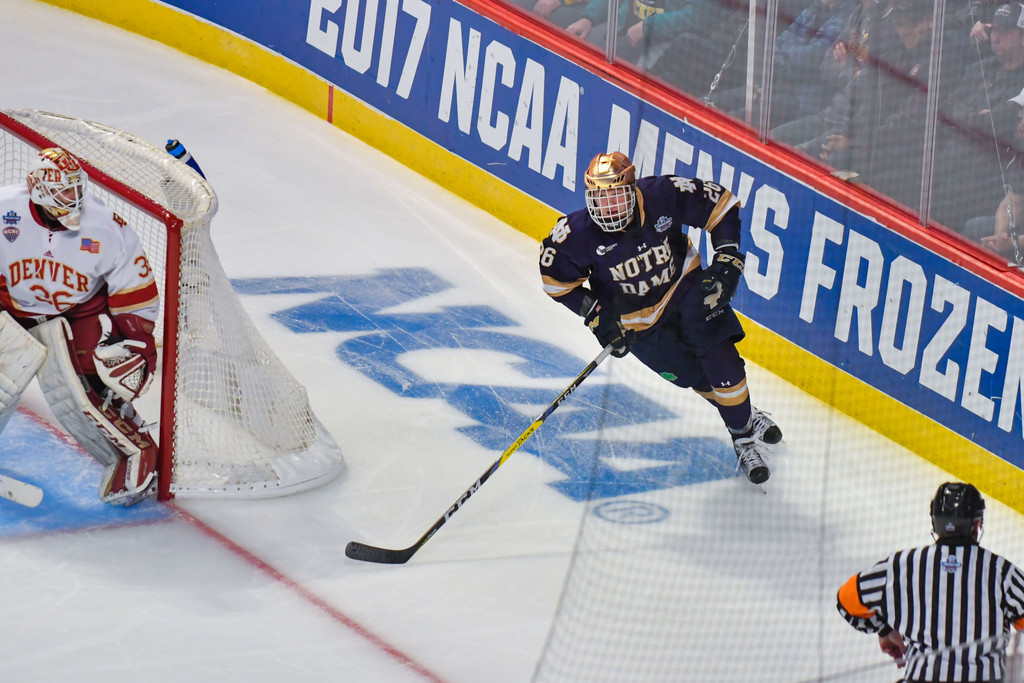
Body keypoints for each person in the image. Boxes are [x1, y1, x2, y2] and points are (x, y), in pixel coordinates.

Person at [538, 151, 783, 485]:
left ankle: (741, 437)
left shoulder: (663, 194)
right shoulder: (577, 233)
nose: (607, 208)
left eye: (615, 197)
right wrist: (597, 316)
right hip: (639, 326)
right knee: (694, 378)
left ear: (632, 189)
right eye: (599, 199)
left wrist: (727, 261)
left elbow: (721, 205)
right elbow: (556, 282)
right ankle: (743, 414)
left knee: (724, 365)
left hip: (689, 292)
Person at [0, 147, 161, 506]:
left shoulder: (105, 226)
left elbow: (133, 285)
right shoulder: (4, 209)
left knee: (85, 386)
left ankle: (133, 447)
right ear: (39, 190)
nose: (73, 200)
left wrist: (138, 340)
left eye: (76, 190)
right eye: (63, 192)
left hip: (76, 317)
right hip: (12, 313)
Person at [837, 482, 1024, 682]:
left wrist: (885, 629)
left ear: (935, 522)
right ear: (976, 525)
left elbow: (847, 599)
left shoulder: (902, 566)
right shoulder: (1001, 571)